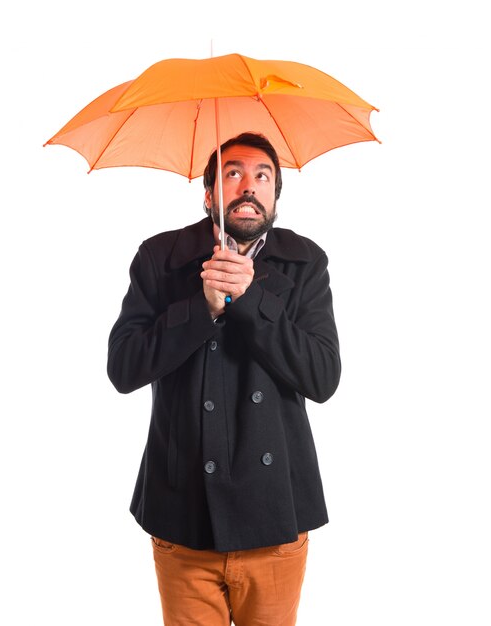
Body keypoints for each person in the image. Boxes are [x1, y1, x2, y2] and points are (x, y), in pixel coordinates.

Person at [107, 132, 341, 626]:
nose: (248, 187)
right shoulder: (159, 258)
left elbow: (322, 378)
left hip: (275, 515)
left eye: (263, 176)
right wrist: (203, 308)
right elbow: (123, 369)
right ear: (210, 192)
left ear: (276, 194)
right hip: (183, 515)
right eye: (232, 173)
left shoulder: (306, 263)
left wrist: (252, 299)